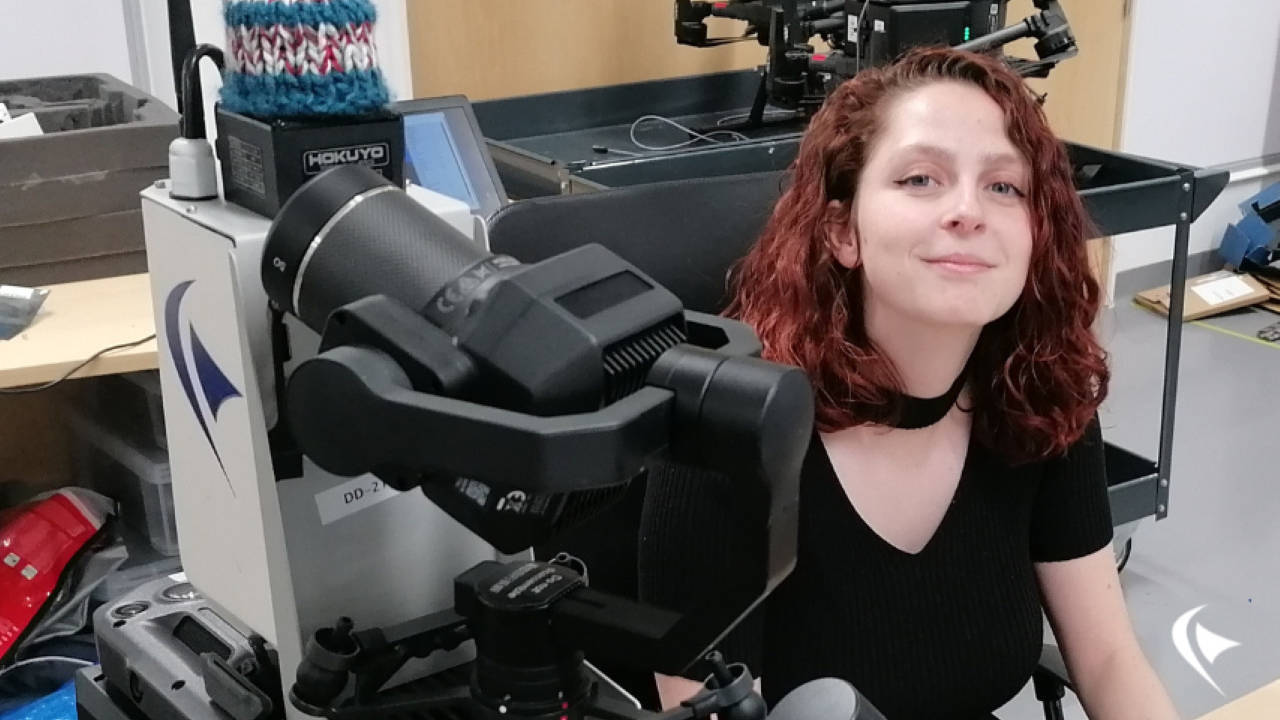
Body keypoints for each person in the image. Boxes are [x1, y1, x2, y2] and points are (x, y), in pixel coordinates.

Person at [638, 47, 1181, 719]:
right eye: (922, 179)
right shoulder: (723, 436)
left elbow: (1108, 660)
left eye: (1004, 186)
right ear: (843, 231)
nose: (967, 211)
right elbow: (702, 705)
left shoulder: (1041, 399)